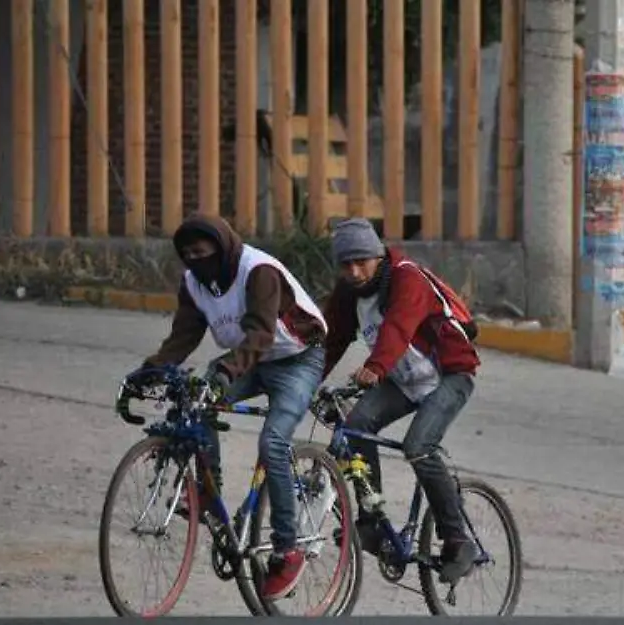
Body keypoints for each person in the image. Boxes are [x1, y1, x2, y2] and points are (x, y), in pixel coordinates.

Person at [125, 213, 328, 601]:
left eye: (202, 253)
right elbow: (181, 338)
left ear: (223, 249)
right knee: (193, 397)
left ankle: (288, 549)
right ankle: (205, 489)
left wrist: (226, 372)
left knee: (273, 444)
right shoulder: (194, 283)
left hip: (298, 358)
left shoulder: (258, 271)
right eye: (187, 255)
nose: (195, 261)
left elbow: (260, 334)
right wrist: (147, 372)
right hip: (250, 358)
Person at [318, 217, 482, 583]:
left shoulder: (407, 278)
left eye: (362, 261)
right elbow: (331, 341)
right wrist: (305, 383)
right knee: (356, 428)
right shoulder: (348, 292)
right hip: (402, 380)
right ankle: (372, 523)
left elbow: (399, 326)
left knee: (419, 446)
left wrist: (375, 365)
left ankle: (458, 540)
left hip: (449, 374)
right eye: (346, 264)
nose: (355, 271)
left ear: (379, 256)